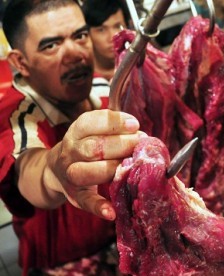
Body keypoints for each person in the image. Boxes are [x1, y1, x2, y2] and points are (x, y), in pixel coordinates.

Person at [0, 0, 144, 274]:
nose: (75, 54)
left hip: (119, 246)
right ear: (21, 62)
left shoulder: (103, 88)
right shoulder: (15, 115)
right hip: (63, 264)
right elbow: (30, 168)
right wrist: (56, 168)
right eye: (51, 45)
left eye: (79, 36)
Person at [81, 0, 130, 81]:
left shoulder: (141, 67)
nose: (112, 37)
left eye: (117, 26)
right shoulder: (81, 78)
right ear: (87, 34)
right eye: (101, 30)